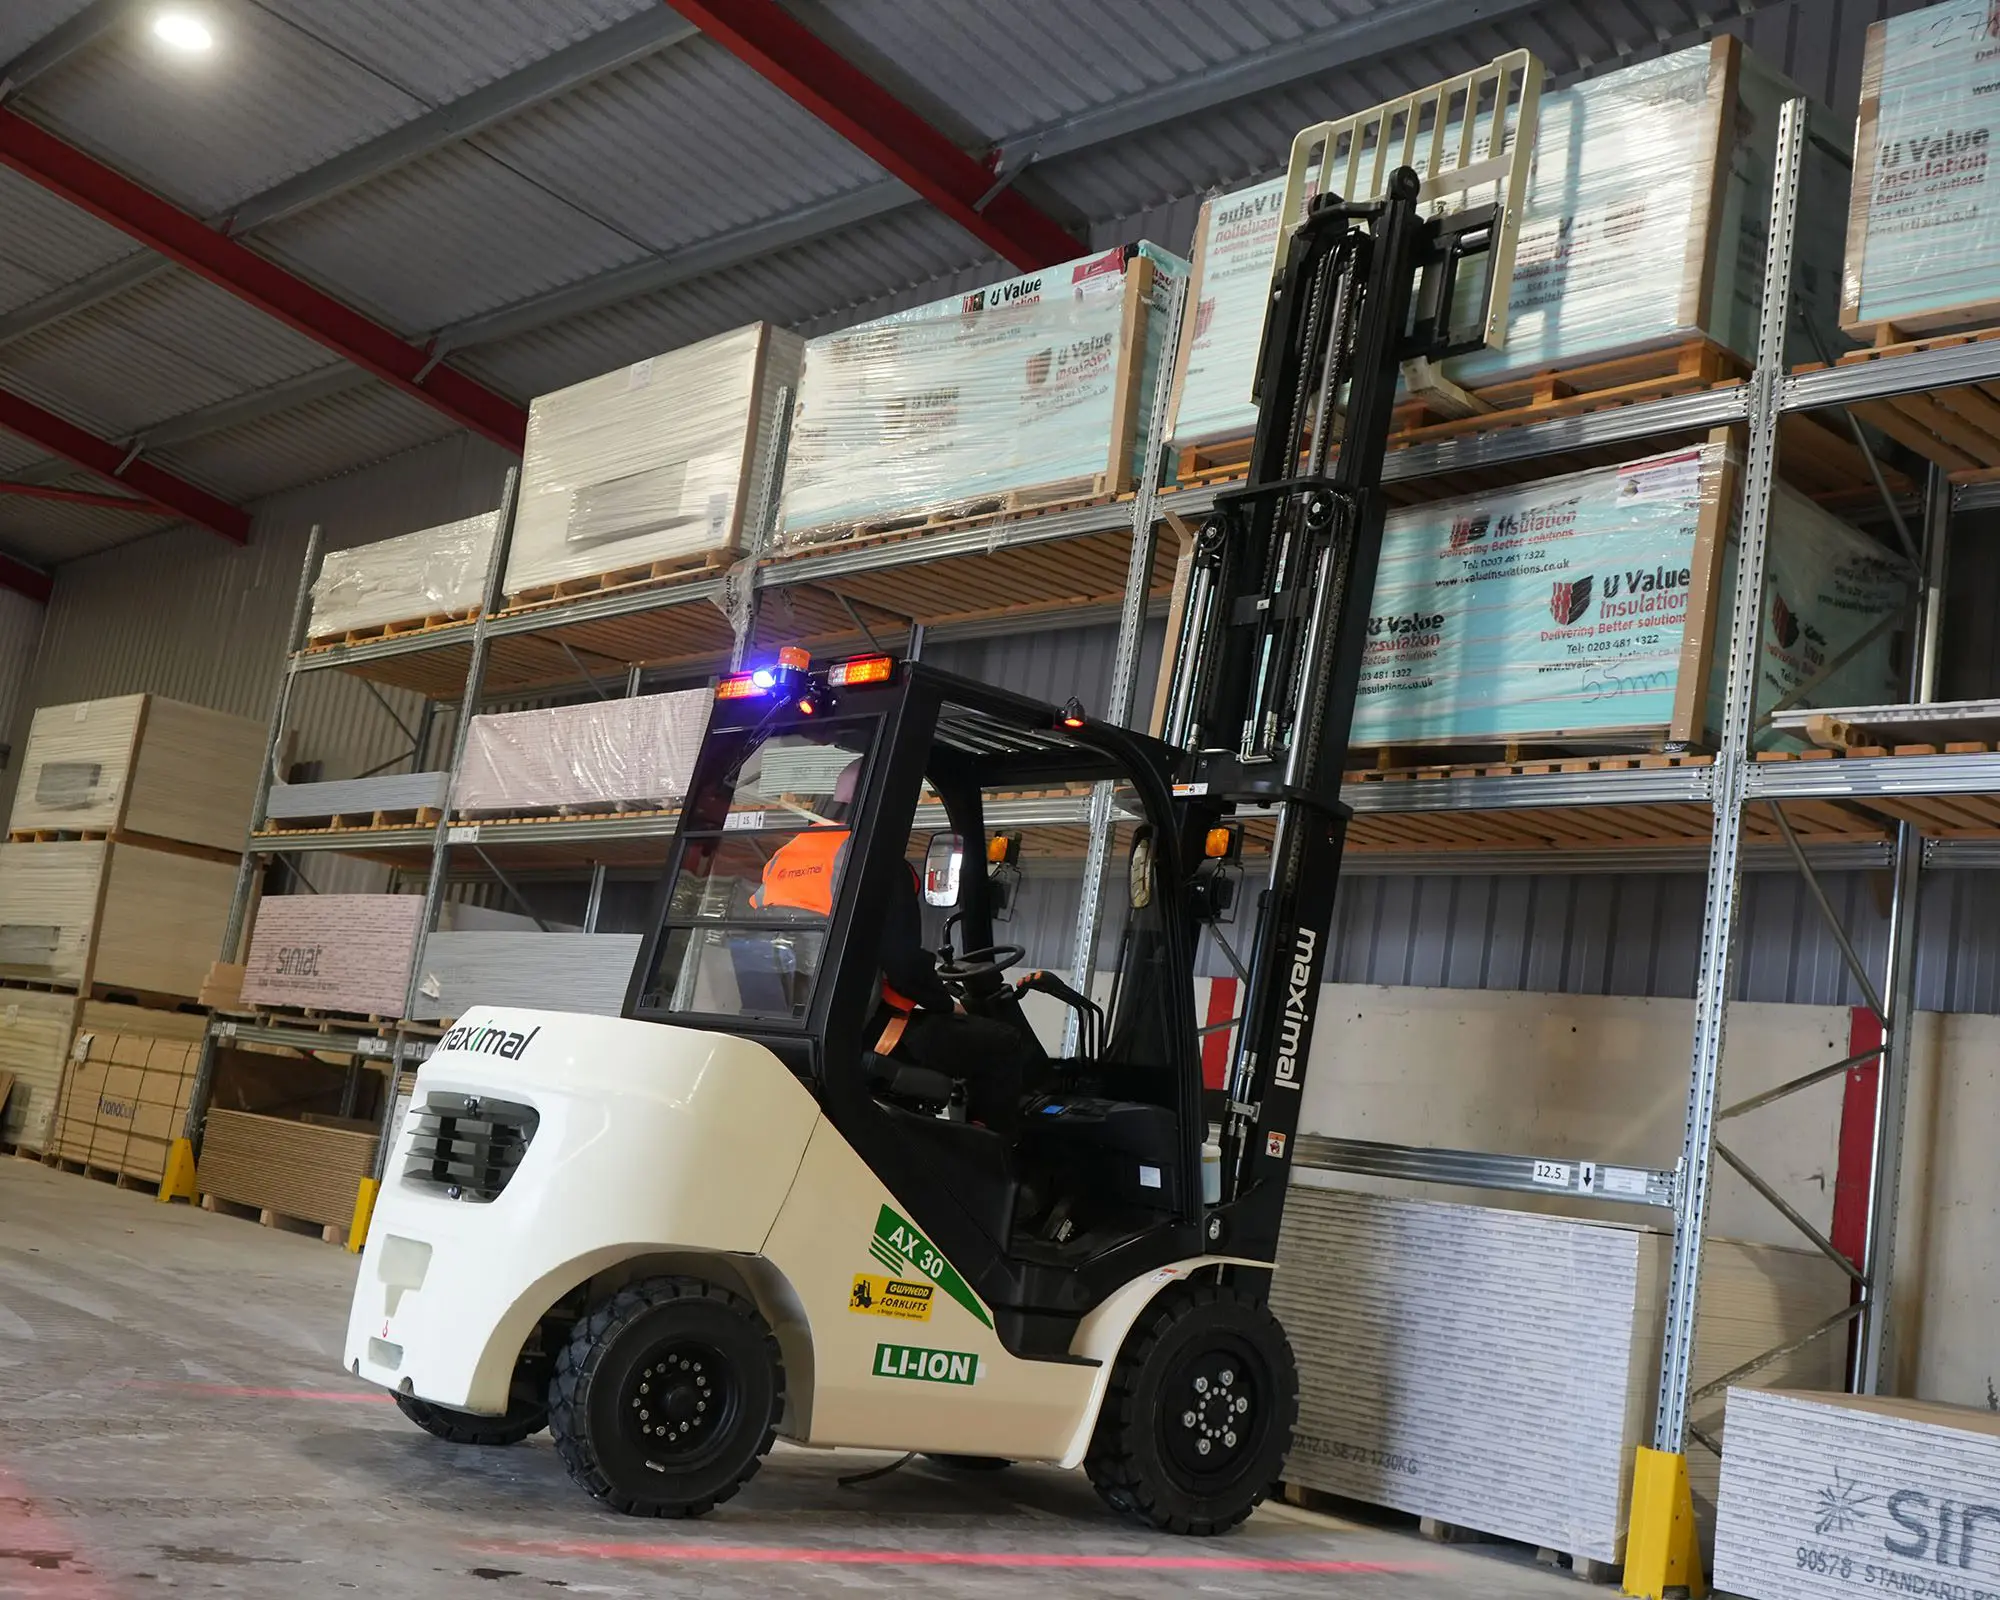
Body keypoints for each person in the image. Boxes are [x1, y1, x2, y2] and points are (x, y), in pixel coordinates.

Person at [754, 755, 1036, 1137]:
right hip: (867, 1028)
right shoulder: (873, 862)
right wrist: (943, 1002)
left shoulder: (783, 859)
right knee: (1003, 1045)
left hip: (796, 1024)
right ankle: (993, 1159)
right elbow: (902, 966)